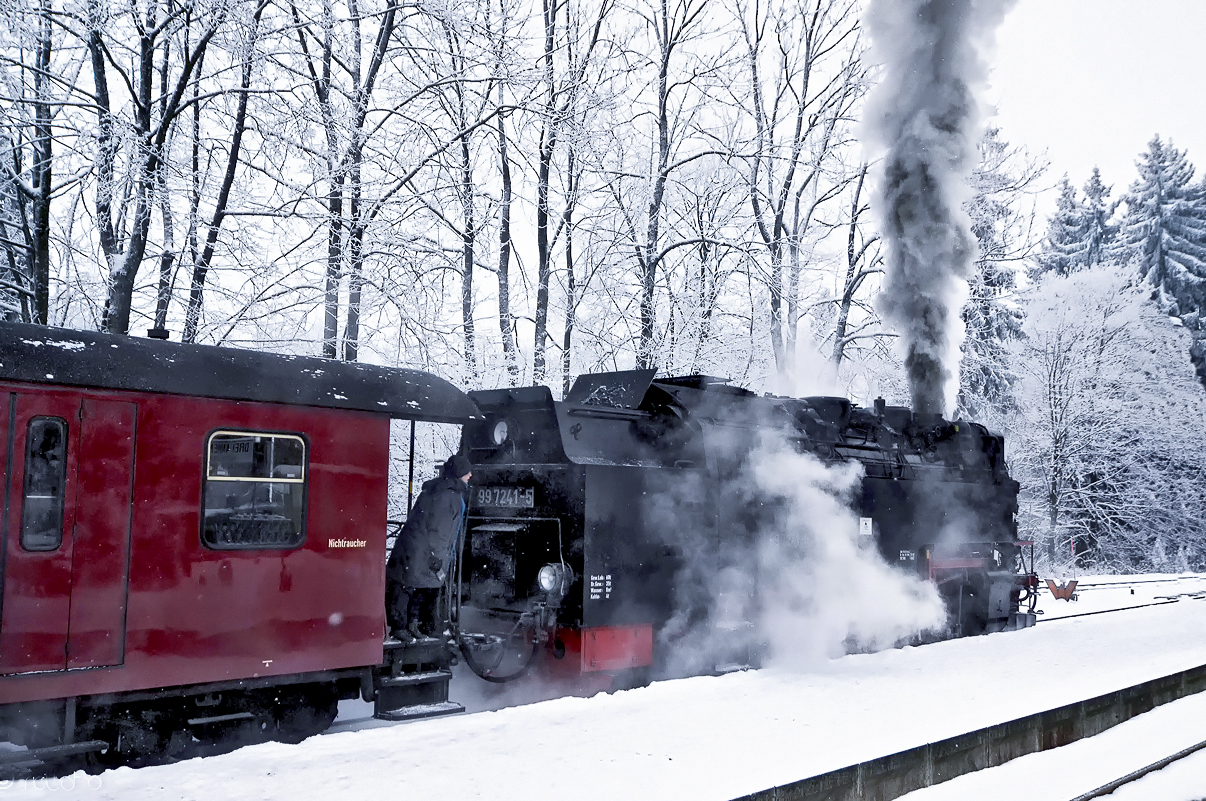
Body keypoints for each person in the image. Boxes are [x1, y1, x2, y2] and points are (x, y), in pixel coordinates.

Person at [386, 453, 473, 642]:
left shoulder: (440, 490)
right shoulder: (448, 496)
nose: (470, 475)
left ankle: (410, 625)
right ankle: (406, 626)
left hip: (416, 547)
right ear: (459, 474)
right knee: (416, 585)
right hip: (423, 550)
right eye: (467, 472)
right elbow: (439, 530)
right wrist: (437, 556)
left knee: (416, 585)